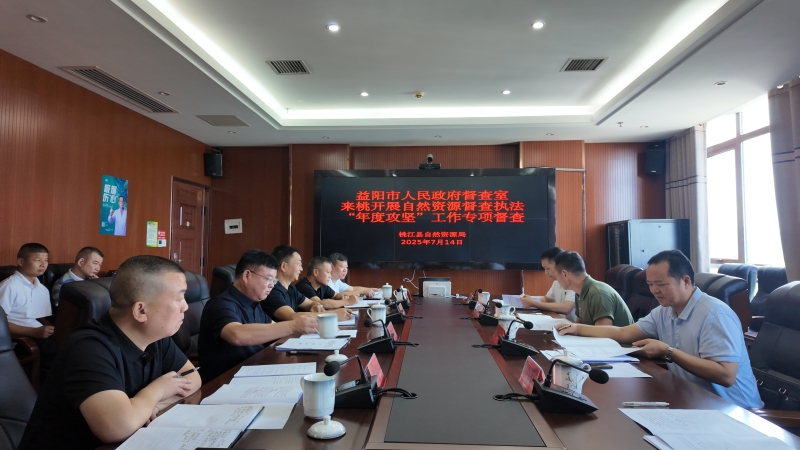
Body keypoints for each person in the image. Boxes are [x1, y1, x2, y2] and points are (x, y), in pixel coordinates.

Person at [18, 255, 201, 450]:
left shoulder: (155, 337)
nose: (185, 306)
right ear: (140, 311)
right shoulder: (88, 348)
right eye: (179, 298)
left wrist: (149, 407)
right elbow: (118, 427)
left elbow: (193, 378)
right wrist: (159, 390)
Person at [557, 250, 762, 409]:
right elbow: (622, 333)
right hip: (691, 398)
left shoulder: (715, 315)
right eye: (650, 284)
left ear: (686, 281)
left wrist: (668, 352)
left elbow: (726, 375)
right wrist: (576, 328)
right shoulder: (665, 311)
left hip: (734, 409)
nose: (654, 290)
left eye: (661, 284)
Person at [198, 249, 319, 383]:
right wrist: (293, 326)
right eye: (268, 279)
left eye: (274, 280)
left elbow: (275, 331)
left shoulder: (255, 304)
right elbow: (237, 334)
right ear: (247, 275)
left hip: (253, 373)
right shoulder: (221, 304)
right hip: (224, 382)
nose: (272, 285)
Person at [262, 246, 353, 322]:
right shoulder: (272, 290)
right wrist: (333, 315)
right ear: (284, 266)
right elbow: (291, 316)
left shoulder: (291, 288)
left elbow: (310, 303)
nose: (301, 269)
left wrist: (316, 305)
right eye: (298, 264)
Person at [553, 251, 633, 326]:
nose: (556, 280)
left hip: (610, 337)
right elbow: (578, 327)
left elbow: (603, 332)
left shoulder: (598, 293)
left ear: (565, 274)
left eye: (556, 276)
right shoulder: (579, 293)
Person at [0, 243, 54, 341]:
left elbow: (42, 318)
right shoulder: (8, 286)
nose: (43, 264)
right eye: (38, 260)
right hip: (20, 339)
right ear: (21, 262)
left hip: (42, 335)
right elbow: (1, 323)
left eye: (46, 260)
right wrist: (32, 332)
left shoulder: (43, 289)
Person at [519, 247, 577, 321]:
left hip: (572, 325)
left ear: (558, 265)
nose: (546, 273)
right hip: (561, 322)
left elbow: (566, 308)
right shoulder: (556, 281)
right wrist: (527, 299)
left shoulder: (573, 282)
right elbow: (547, 299)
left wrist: (533, 303)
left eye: (547, 268)